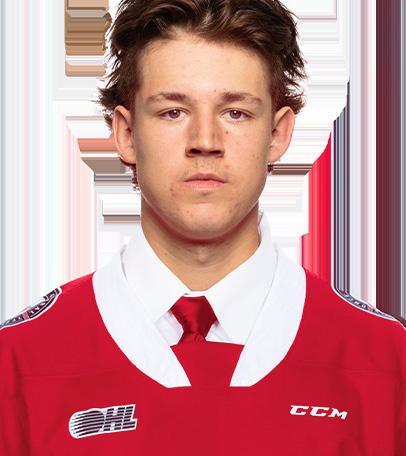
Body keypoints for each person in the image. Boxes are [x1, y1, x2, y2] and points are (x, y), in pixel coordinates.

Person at [1, 0, 405, 454]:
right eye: (173, 112)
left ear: (277, 134)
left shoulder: (389, 361)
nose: (205, 142)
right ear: (126, 134)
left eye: (236, 113)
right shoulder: (17, 363)